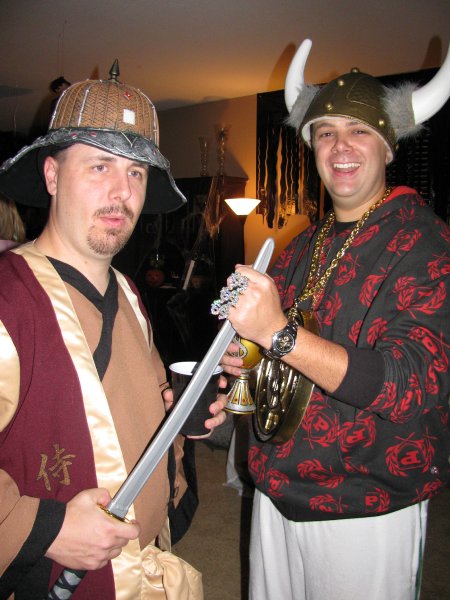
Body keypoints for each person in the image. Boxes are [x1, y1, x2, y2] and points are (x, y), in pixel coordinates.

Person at [220, 39, 450, 600]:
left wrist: (277, 333)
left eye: (359, 130)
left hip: (365, 503)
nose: (340, 146)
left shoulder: (426, 241)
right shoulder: (304, 243)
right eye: (325, 132)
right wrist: (246, 355)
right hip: (276, 485)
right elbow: (276, 353)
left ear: (389, 148)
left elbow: (407, 385)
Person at [0, 65, 227, 599]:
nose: (122, 191)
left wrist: (179, 414)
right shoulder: (9, 299)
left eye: (136, 173)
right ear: (52, 176)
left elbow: (130, 400)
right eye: (100, 165)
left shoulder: (127, 291)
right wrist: (43, 529)